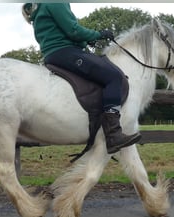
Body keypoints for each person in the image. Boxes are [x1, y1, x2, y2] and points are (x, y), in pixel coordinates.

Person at [22, 3, 141, 154]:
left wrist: (86, 41)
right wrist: (98, 34)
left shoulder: (41, 5)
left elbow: (66, 32)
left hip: (55, 52)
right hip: (65, 51)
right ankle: (113, 134)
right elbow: (73, 31)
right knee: (114, 77)